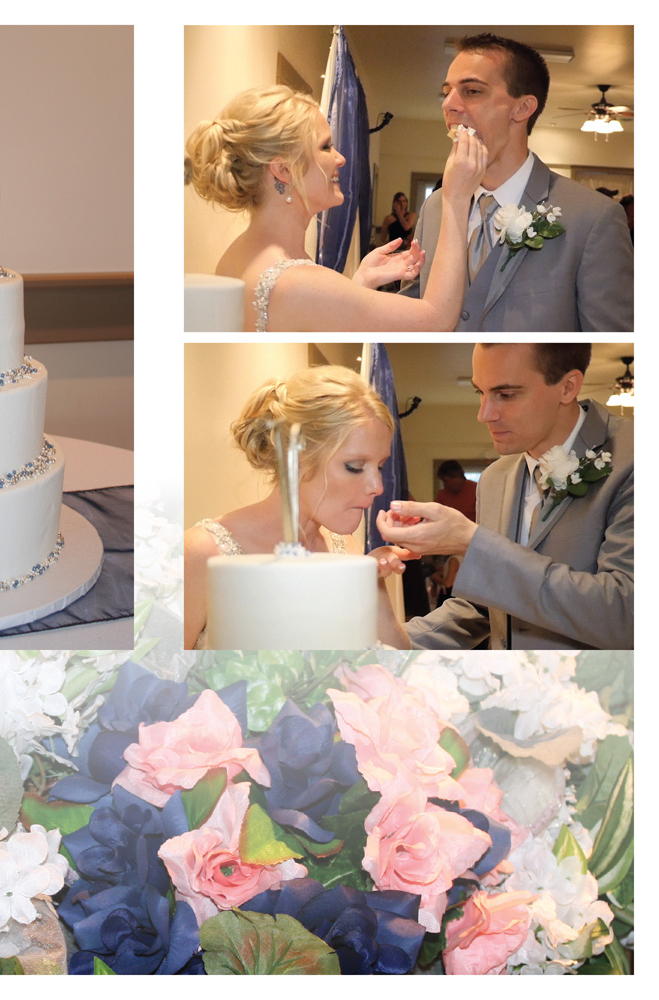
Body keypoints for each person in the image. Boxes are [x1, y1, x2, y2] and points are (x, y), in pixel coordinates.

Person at [377, 343, 633, 650]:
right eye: (480, 392)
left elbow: (627, 615)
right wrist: (391, 645)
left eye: (506, 394)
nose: (484, 414)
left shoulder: (634, 455)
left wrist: (472, 542)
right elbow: (484, 607)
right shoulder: (494, 478)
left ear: (567, 387)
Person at [184, 86, 487, 332]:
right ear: (284, 170)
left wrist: (357, 286)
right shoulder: (299, 283)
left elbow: (298, 314)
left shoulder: (239, 254)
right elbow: (436, 320)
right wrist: (456, 199)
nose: (340, 158)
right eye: (325, 146)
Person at [401, 34, 633, 331]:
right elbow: (413, 315)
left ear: (522, 108)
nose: (448, 104)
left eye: (471, 91)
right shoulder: (435, 207)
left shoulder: (593, 218)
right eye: (447, 92)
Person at [184, 366, 412, 649]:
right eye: (355, 466)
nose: (377, 487)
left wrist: (371, 582)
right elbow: (155, 671)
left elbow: (394, 664)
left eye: (380, 467)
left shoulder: (345, 550)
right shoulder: (200, 553)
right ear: (295, 459)